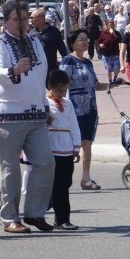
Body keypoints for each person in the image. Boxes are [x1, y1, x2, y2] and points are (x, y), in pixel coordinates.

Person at [0, 1, 53, 233]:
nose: (22, 24)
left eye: (25, 19)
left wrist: (45, 105)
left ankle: (35, 212)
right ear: (5, 21)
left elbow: (40, 76)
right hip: (8, 114)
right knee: (9, 169)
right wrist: (12, 71)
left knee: (45, 162)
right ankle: (10, 218)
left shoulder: (35, 42)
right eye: (16, 19)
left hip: (35, 114)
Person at [61, 29, 104, 189]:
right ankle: (64, 179)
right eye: (81, 40)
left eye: (86, 39)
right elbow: (61, 85)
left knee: (87, 143)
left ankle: (86, 178)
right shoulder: (68, 61)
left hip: (90, 108)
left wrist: (113, 84)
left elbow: (96, 85)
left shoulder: (88, 62)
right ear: (72, 43)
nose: (85, 42)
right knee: (71, 144)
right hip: (74, 108)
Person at [45, 69, 81, 231]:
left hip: (66, 148)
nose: (63, 93)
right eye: (60, 89)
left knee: (66, 183)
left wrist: (76, 147)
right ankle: (62, 219)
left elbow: (74, 124)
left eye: (65, 89)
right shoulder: (44, 103)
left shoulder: (68, 103)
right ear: (50, 86)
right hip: (52, 148)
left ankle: (51, 201)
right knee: (59, 186)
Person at [96, 19, 122, 85]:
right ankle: (110, 81)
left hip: (115, 53)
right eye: (109, 25)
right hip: (106, 54)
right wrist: (100, 44)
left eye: (112, 25)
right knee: (109, 69)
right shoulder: (103, 33)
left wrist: (114, 34)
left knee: (116, 68)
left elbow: (120, 40)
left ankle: (115, 79)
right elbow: (98, 41)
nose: (110, 26)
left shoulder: (117, 33)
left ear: (114, 26)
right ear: (107, 26)